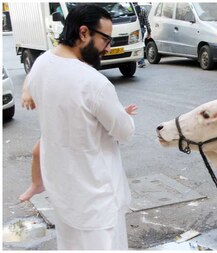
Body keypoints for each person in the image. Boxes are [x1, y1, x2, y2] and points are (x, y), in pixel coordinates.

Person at [26, 4, 137, 250]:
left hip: (64, 196)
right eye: (106, 39)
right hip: (98, 201)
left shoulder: (41, 65)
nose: (108, 48)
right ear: (84, 33)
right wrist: (123, 116)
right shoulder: (94, 83)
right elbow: (125, 132)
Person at [19, 76, 138, 203]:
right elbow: (32, 75)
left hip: (80, 130)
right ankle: (36, 184)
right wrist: (26, 92)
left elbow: (103, 110)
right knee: (37, 152)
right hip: (59, 126)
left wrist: (121, 112)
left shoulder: (88, 82)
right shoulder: (51, 68)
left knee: (81, 163)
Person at [134, 3, 151, 68]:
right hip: (141, 29)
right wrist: (149, 31)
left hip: (133, 29)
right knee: (140, 44)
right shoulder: (143, 10)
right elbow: (146, 21)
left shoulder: (131, 10)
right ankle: (141, 62)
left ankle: (138, 61)